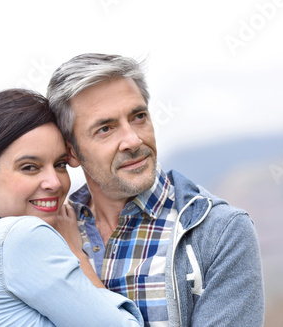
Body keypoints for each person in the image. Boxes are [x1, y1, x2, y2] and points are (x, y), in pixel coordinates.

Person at [46, 54, 265, 326]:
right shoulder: (50, 233)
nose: (133, 140)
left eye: (138, 117)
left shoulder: (220, 232)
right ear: (72, 153)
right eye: (105, 128)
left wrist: (78, 261)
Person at [0, 88, 143, 326]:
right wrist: (76, 254)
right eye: (30, 167)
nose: (54, 182)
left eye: (60, 164)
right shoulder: (22, 237)